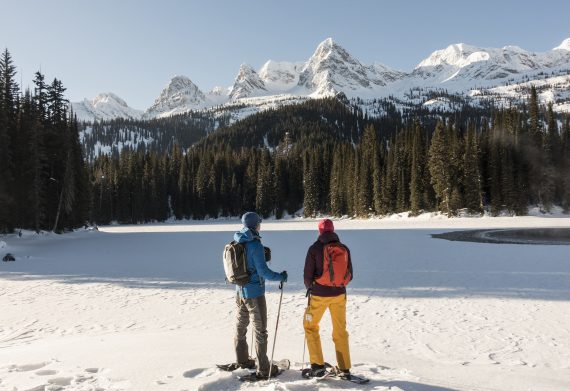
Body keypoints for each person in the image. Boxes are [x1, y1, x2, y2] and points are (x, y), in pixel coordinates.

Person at [230, 212, 287, 379]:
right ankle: (264, 368)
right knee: (260, 330)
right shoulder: (255, 245)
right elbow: (264, 272)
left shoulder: (237, 241)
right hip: (255, 294)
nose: (260, 225)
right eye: (259, 223)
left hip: (240, 292)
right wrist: (281, 277)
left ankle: (242, 360)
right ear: (255, 225)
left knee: (241, 326)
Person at [303, 218, 353, 378]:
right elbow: (350, 274)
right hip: (339, 295)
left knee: (310, 326)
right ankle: (344, 368)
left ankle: (317, 366)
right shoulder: (344, 248)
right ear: (333, 230)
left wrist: (312, 288)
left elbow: (307, 275)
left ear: (320, 231)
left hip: (319, 295)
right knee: (340, 331)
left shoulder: (314, 248)